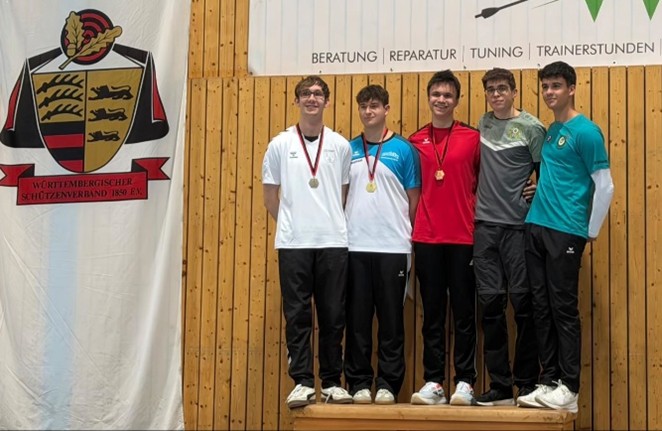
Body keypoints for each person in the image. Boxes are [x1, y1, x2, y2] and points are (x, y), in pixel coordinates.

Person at [517, 61, 614, 414]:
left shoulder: (586, 132)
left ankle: (569, 388)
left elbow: (605, 185)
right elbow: (558, 174)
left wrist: (590, 230)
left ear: (571, 88)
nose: (549, 92)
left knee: (563, 310)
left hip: (566, 231)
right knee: (541, 308)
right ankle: (549, 381)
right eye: (545, 86)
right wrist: (539, 189)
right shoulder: (552, 131)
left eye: (556, 86)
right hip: (536, 226)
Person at [262, 75, 353, 409]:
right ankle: (302, 381)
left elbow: (342, 194)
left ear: (327, 101)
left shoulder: (340, 145)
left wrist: (325, 222)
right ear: (296, 100)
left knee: (333, 315)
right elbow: (270, 196)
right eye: (306, 93)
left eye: (317, 94)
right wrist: (293, 224)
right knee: (297, 314)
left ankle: (331, 382)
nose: (312, 98)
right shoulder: (279, 144)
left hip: (333, 242)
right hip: (293, 243)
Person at [343, 85, 420, 405]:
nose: (368, 111)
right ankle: (359, 382)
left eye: (374, 105)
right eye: (363, 106)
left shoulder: (403, 150)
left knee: (391, 321)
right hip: (355, 246)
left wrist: (407, 238)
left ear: (386, 109)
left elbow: (414, 200)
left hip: (393, 247)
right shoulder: (348, 149)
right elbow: (342, 197)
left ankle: (388, 384)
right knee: (357, 320)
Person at [473, 68, 545, 406]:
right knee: (490, 307)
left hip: (519, 229)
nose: (496, 94)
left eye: (502, 88)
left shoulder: (532, 128)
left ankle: (527, 383)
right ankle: (500, 385)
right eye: (491, 89)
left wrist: (537, 188)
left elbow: (547, 175)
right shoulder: (483, 124)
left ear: (514, 92)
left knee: (523, 307)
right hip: (485, 229)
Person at [408, 70, 481, 406]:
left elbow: (487, 182)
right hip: (426, 237)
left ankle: (465, 381)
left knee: (465, 313)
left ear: (457, 100)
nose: (441, 100)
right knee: (433, 314)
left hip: (464, 237)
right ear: (428, 98)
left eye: (447, 95)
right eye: (436, 94)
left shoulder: (472, 138)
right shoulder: (414, 141)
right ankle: (434, 381)